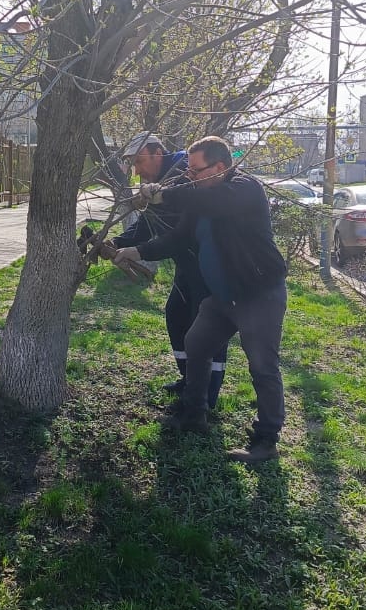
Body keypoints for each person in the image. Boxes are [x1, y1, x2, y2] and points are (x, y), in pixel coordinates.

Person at [114, 135, 288, 465]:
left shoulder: (243, 189)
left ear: (219, 167)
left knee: (263, 367)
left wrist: (160, 195)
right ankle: (195, 414)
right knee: (196, 343)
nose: (188, 176)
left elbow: (204, 202)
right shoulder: (204, 194)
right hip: (223, 297)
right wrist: (137, 250)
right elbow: (179, 238)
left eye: (195, 170)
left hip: (258, 294)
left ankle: (266, 441)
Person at [110, 133, 228, 409]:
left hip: (208, 266)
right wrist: (117, 242)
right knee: (177, 317)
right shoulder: (159, 182)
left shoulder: (184, 174)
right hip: (186, 265)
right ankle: (188, 380)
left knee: (209, 330)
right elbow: (147, 223)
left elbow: (179, 231)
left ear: (157, 153)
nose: (137, 170)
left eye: (140, 161)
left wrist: (139, 250)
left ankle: (207, 396)